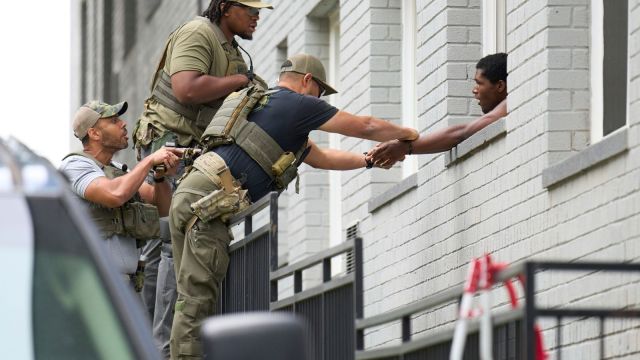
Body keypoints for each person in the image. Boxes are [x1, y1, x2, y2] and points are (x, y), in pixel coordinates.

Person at [168, 53, 419, 359]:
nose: (319, 100)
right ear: (307, 81)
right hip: (205, 207)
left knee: (190, 298)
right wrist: (408, 134)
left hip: (194, 195)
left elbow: (322, 158)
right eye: (320, 92)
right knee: (196, 299)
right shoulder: (298, 104)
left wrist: (367, 161)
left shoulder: (267, 105)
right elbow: (365, 126)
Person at [131, 1, 273, 356]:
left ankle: (154, 343)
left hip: (191, 153)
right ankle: (164, 350)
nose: (257, 16)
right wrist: (241, 81)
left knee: (165, 248)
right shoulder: (199, 33)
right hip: (169, 147)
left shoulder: (231, 49)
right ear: (225, 7)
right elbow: (186, 88)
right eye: (250, 9)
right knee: (170, 244)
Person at [59, 101, 182, 287]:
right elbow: (115, 194)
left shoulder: (116, 170)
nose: (123, 124)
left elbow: (163, 208)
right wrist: (149, 161)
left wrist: (159, 178)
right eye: (114, 121)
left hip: (123, 286)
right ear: (94, 133)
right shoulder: (75, 166)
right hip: (94, 285)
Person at [368, 53, 508, 166]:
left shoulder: (510, 102)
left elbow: (460, 133)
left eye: (479, 83)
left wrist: (405, 148)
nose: (474, 90)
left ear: (500, 86)